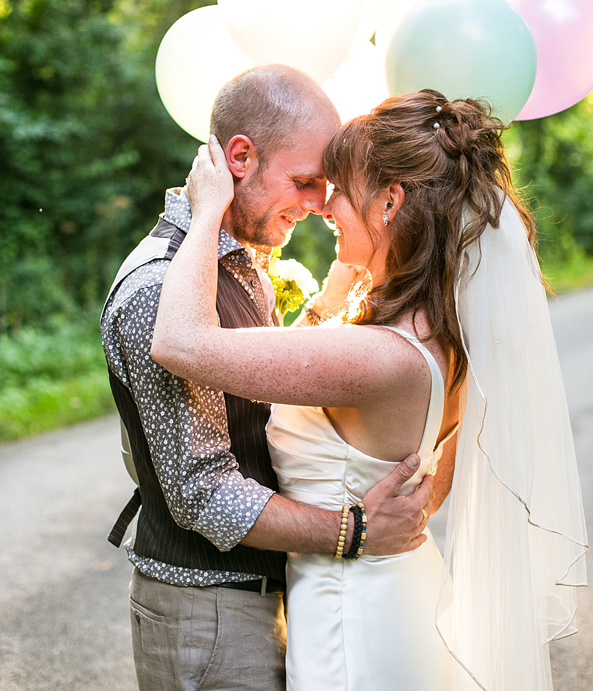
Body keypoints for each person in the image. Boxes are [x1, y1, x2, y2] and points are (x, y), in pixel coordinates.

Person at [151, 89, 588, 691]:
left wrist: (205, 211)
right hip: (394, 590)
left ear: (390, 201)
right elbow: (427, 492)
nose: (325, 207)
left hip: (352, 620)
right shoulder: (442, 331)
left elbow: (179, 344)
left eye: (340, 188)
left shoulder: (379, 358)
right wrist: (351, 275)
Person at [100, 65, 437, 691]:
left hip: (262, 598)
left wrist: (331, 297)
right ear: (240, 157)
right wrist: (354, 530)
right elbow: (204, 492)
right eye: (305, 182)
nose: (316, 204)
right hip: (206, 610)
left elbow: (267, 388)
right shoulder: (158, 287)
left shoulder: (240, 259)